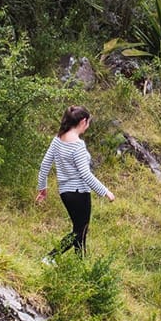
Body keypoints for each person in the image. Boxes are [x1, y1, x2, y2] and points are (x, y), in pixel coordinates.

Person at [36, 106, 114, 260]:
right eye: (88, 122)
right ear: (83, 121)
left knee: (80, 229)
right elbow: (85, 174)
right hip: (79, 192)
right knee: (79, 231)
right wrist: (105, 191)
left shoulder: (58, 139)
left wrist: (42, 189)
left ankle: (80, 263)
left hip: (65, 192)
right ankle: (50, 258)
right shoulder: (77, 145)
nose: (88, 125)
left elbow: (45, 164)